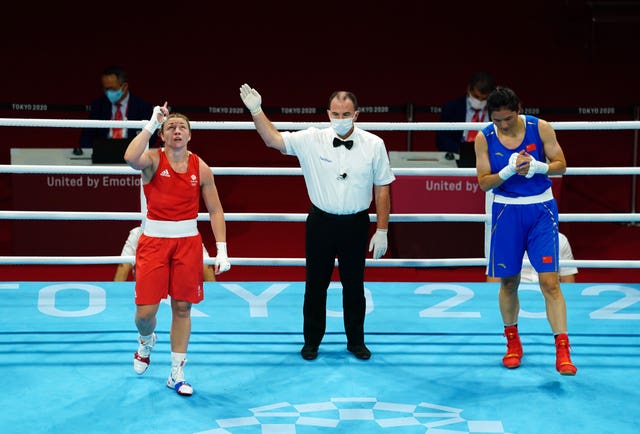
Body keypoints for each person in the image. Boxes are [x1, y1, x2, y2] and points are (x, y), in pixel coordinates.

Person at [239, 83, 395, 361]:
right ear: (327, 113)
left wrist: (382, 229)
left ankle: (356, 341)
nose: (340, 118)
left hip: (356, 224)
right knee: (315, 285)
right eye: (335, 113)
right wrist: (256, 110)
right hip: (321, 222)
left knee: (354, 285)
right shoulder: (311, 138)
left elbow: (382, 187)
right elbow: (272, 139)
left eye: (346, 113)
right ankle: (311, 341)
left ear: (356, 114)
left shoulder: (374, 144)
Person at [124, 103, 231, 396]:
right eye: (170, 126)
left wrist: (221, 249)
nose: (177, 130)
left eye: (182, 126)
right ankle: (145, 342)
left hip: (188, 243)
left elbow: (216, 210)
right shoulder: (152, 159)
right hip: (154, 243)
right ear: (162, 134)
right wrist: (150, 123)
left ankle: (176, 372)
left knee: (183, 308)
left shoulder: (201, 166)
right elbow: (129, 156)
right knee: (145, 313)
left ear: (190, 135)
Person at [475, 86, 577, 376]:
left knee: (550, 283)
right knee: (508, 282)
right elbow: (484, 182)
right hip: (507, 211)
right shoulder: (485, 138)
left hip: (541, 211)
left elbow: (561, 166)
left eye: (507, 118)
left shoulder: (540, 127)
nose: (503, 125)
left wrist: (539, 167)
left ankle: (563, 350)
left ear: (518, 109)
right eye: (497, 120)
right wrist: (506, 172)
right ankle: (512, 343)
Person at [75, 66, 154, 156]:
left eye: (112, 89)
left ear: (124, 87)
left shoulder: (142, 107)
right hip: (103, 156)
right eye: (105, 89)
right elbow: (86, 137)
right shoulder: (98, 106)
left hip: (134, 156)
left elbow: (151, 136)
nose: (107, 93)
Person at [113, 226, 216, 282]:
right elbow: (123, 268)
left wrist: (214, 295)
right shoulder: (138, 233)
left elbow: (205, 265)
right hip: (147, 291)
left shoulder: (187, 232)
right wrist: (115, 301)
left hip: (178, 291)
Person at [436, 71, 496, 159]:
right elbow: (441, 139)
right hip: (457, 156)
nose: (479, 101)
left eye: (484, 99)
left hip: (489, 158)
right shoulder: (452, 108)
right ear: (468, 90)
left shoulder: (496, 110)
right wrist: (463, 151)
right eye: (476, 96)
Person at [487, 232, 578, 283]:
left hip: (550, 296)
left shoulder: (559, 240)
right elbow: (492, 284)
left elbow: (568, 282)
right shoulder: (503, 241)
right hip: (514, 296)